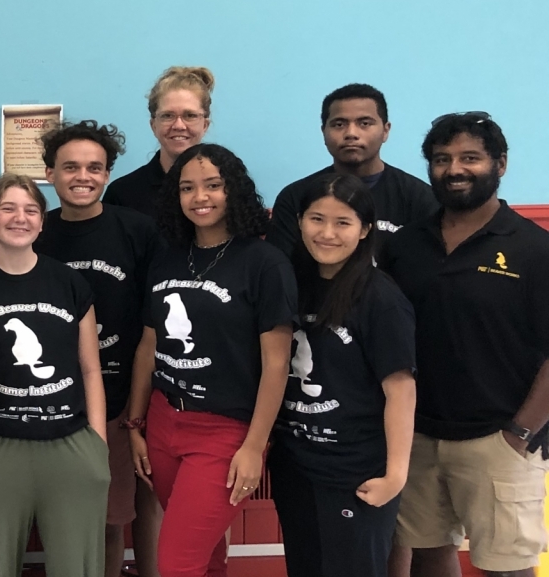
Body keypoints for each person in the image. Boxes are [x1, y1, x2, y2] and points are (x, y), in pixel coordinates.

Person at [383, 113, 549, 577]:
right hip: (415, 437)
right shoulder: (406, 245)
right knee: (428, 557)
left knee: (507, 567)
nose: (454, 169)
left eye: (470, 158)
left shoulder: (534, 249)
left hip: (498, 440)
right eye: (442, 159)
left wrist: (520, 433)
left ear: (500, 164)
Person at [124, 143, 296, 577]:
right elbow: (149, 343)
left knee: (177, 563)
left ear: (232, 190)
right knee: (205, 556)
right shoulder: (166, 258)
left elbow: (277, 364)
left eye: (213, 185)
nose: (200, 197)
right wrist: (136, 424)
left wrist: (255, 446)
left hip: (226, 432)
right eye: (187, 188)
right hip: (164, 423)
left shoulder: (264, 263)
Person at [0, 174, 110, 577]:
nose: (19, 218)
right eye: (8, 208)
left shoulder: (70, 283)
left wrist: (98, 444)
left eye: (31, 210)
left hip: (70, 444)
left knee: (77, 568)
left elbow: (90, 368)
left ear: (41, 222)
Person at [34, 121, 164, 577]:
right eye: (70, 167)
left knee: (111, 522)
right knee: (62, 523)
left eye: (94, 167)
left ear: (108, 174)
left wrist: (138, 402)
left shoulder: (138, 231)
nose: (82, 176)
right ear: (49, 173)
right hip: (52, 404)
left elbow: (154, 323)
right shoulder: (37, 232)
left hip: (119, 402)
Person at [270, 174, 416, 577]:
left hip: (356, 471)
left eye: (343, 222)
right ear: (300, 222)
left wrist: (395, 476)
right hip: (295, 466)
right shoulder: (289, 284)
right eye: (317, 219)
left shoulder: (381, 299)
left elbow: (401, 391)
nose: (327, 233)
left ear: (365, 229)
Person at [266, 83, 439, 260]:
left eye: (364, 123)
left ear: (386, 130)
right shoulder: (295, 197)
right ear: (323, 131)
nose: (351, 133)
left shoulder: (419, 198)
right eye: (339, 124)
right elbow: (281, 272)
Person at [102, 66, 215, 219]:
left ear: (205, 125)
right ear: (153, 125)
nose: (179, 125)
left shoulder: (228, 189)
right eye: (168, 116)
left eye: (190, 115)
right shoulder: (122, 195)